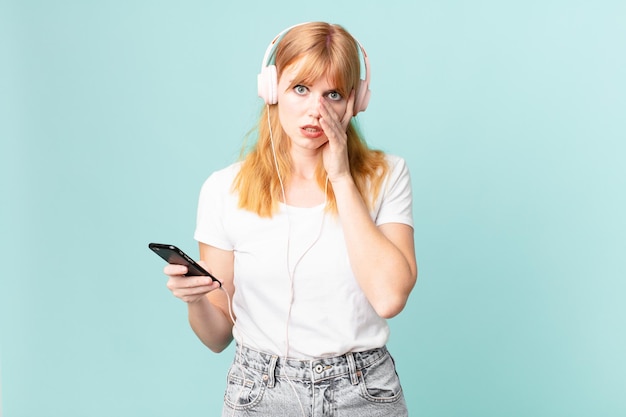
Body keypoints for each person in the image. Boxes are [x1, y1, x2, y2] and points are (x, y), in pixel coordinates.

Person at [164, 21, 417, 416]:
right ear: (272, 89)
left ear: (355, 101)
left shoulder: (387, 175)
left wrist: (340, 176)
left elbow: (388, 297)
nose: (316, 110)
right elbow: (216, 337)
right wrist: (195, 301)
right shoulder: (223, 190)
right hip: (260, 391)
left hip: (362, 391)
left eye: (332, 94)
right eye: (301, 88)